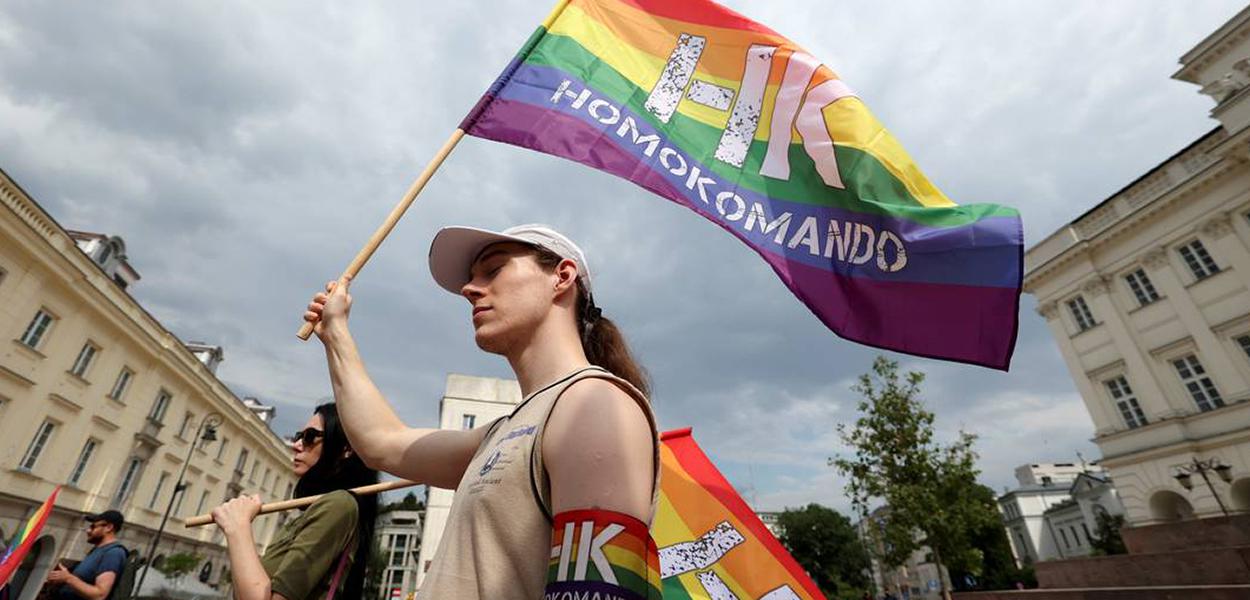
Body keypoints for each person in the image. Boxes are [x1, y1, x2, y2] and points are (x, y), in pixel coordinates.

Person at [304, 224, 660, 600]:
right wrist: (336, 333)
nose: (468, 289)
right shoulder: (504, 430)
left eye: (493, 270)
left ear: (562, 276)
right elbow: (382, 442)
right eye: (473, 278)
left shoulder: (593, 405)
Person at [210, 403, 378, 600]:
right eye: (299, 436)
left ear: (346, 448)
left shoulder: (339, 505)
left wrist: (238, 528)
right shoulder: (322, 508)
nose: (296, 445)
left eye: (309, 437)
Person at [47, 510, 127, 600]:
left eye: (93, 527)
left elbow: (100, 595)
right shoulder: (97, 550)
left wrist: (68, 578)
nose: (88, 531)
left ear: (108, 527)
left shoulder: (113, 553)